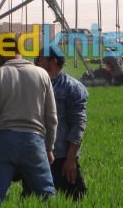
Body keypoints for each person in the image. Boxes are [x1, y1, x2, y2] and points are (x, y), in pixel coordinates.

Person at [0, 35, 57, 203]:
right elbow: (51, 118)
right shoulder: (42, 75)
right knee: (47, 198)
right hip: (34, 142)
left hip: (3, 143)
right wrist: (49, 148)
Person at [30, 51, 89, 200]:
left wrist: (71, 159)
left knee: (75, 201)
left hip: (62, 156)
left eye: (41, 58)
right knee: (33, 202)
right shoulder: (33, 84)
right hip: (36, 153)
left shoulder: (72, 88)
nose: (36, 61)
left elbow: (78, 125)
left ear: (54, 60)